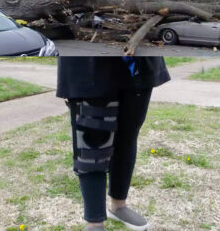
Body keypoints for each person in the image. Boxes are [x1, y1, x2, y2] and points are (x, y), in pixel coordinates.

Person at [57, 57, 170, 231]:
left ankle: (119, 206)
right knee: (91, 147)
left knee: (127, 138)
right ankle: (95, 222)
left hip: (138, 67)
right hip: (88, 67)